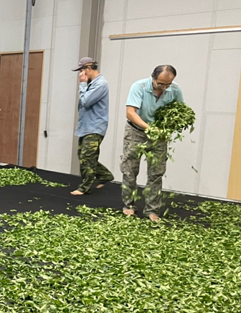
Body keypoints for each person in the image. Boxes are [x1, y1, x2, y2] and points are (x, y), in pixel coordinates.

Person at [121, 65, 184, 222]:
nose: (163, 88)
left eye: (167, 85)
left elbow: (180, 112)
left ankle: (152, 209)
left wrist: (168, 127)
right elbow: (130, 112)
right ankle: (129, 205)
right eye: (160, 84)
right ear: (153, 78)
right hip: (136, 131)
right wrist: (149, 128)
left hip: (159, 136)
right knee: (130, 168)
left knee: (156, 172)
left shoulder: (175, 90)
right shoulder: (139, 86)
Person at [70, 57, 113, 196]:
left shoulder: (100, 84)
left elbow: (86, 101)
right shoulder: (91, 83)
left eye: (82, 70)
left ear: (89, 68)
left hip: (95, 126)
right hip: (86, 126)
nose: (81, 74)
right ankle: (105, 175)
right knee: (82, 155)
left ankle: (85, 187)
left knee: (87, 157)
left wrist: (82, 85)